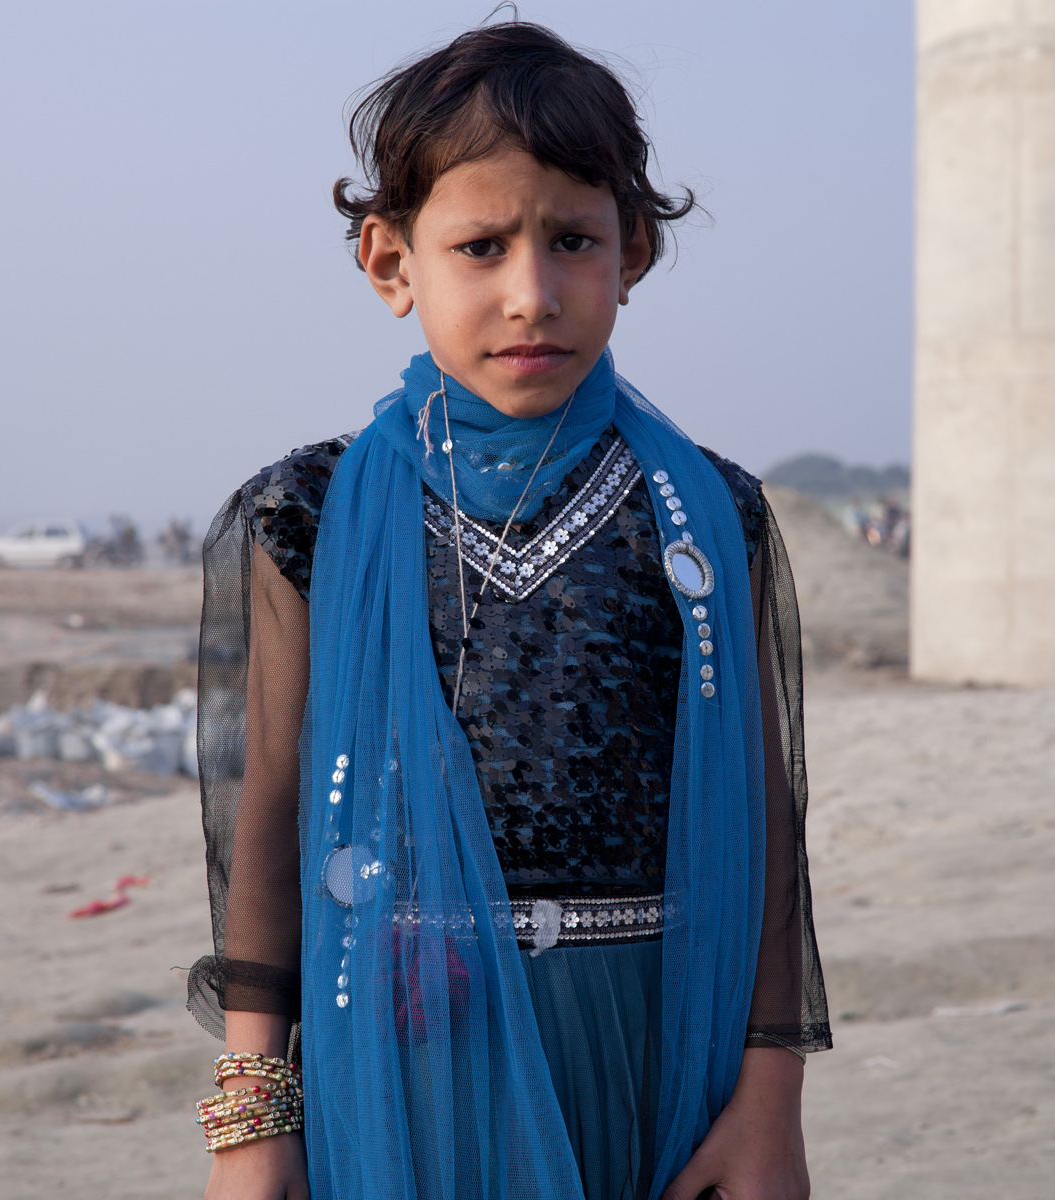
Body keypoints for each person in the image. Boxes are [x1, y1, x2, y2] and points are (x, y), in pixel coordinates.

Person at [189, 21, 829, 1200]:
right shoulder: (309, 514)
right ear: (392, 265)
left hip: (649, 1048)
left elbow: (764, 823)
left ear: (632, 252)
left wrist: (769, 1102)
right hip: (398, 1062)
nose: (531, 293)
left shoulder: (705, 514)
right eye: (480, 246)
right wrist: (250, 1121)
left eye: (573, 240)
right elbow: (271, 823)